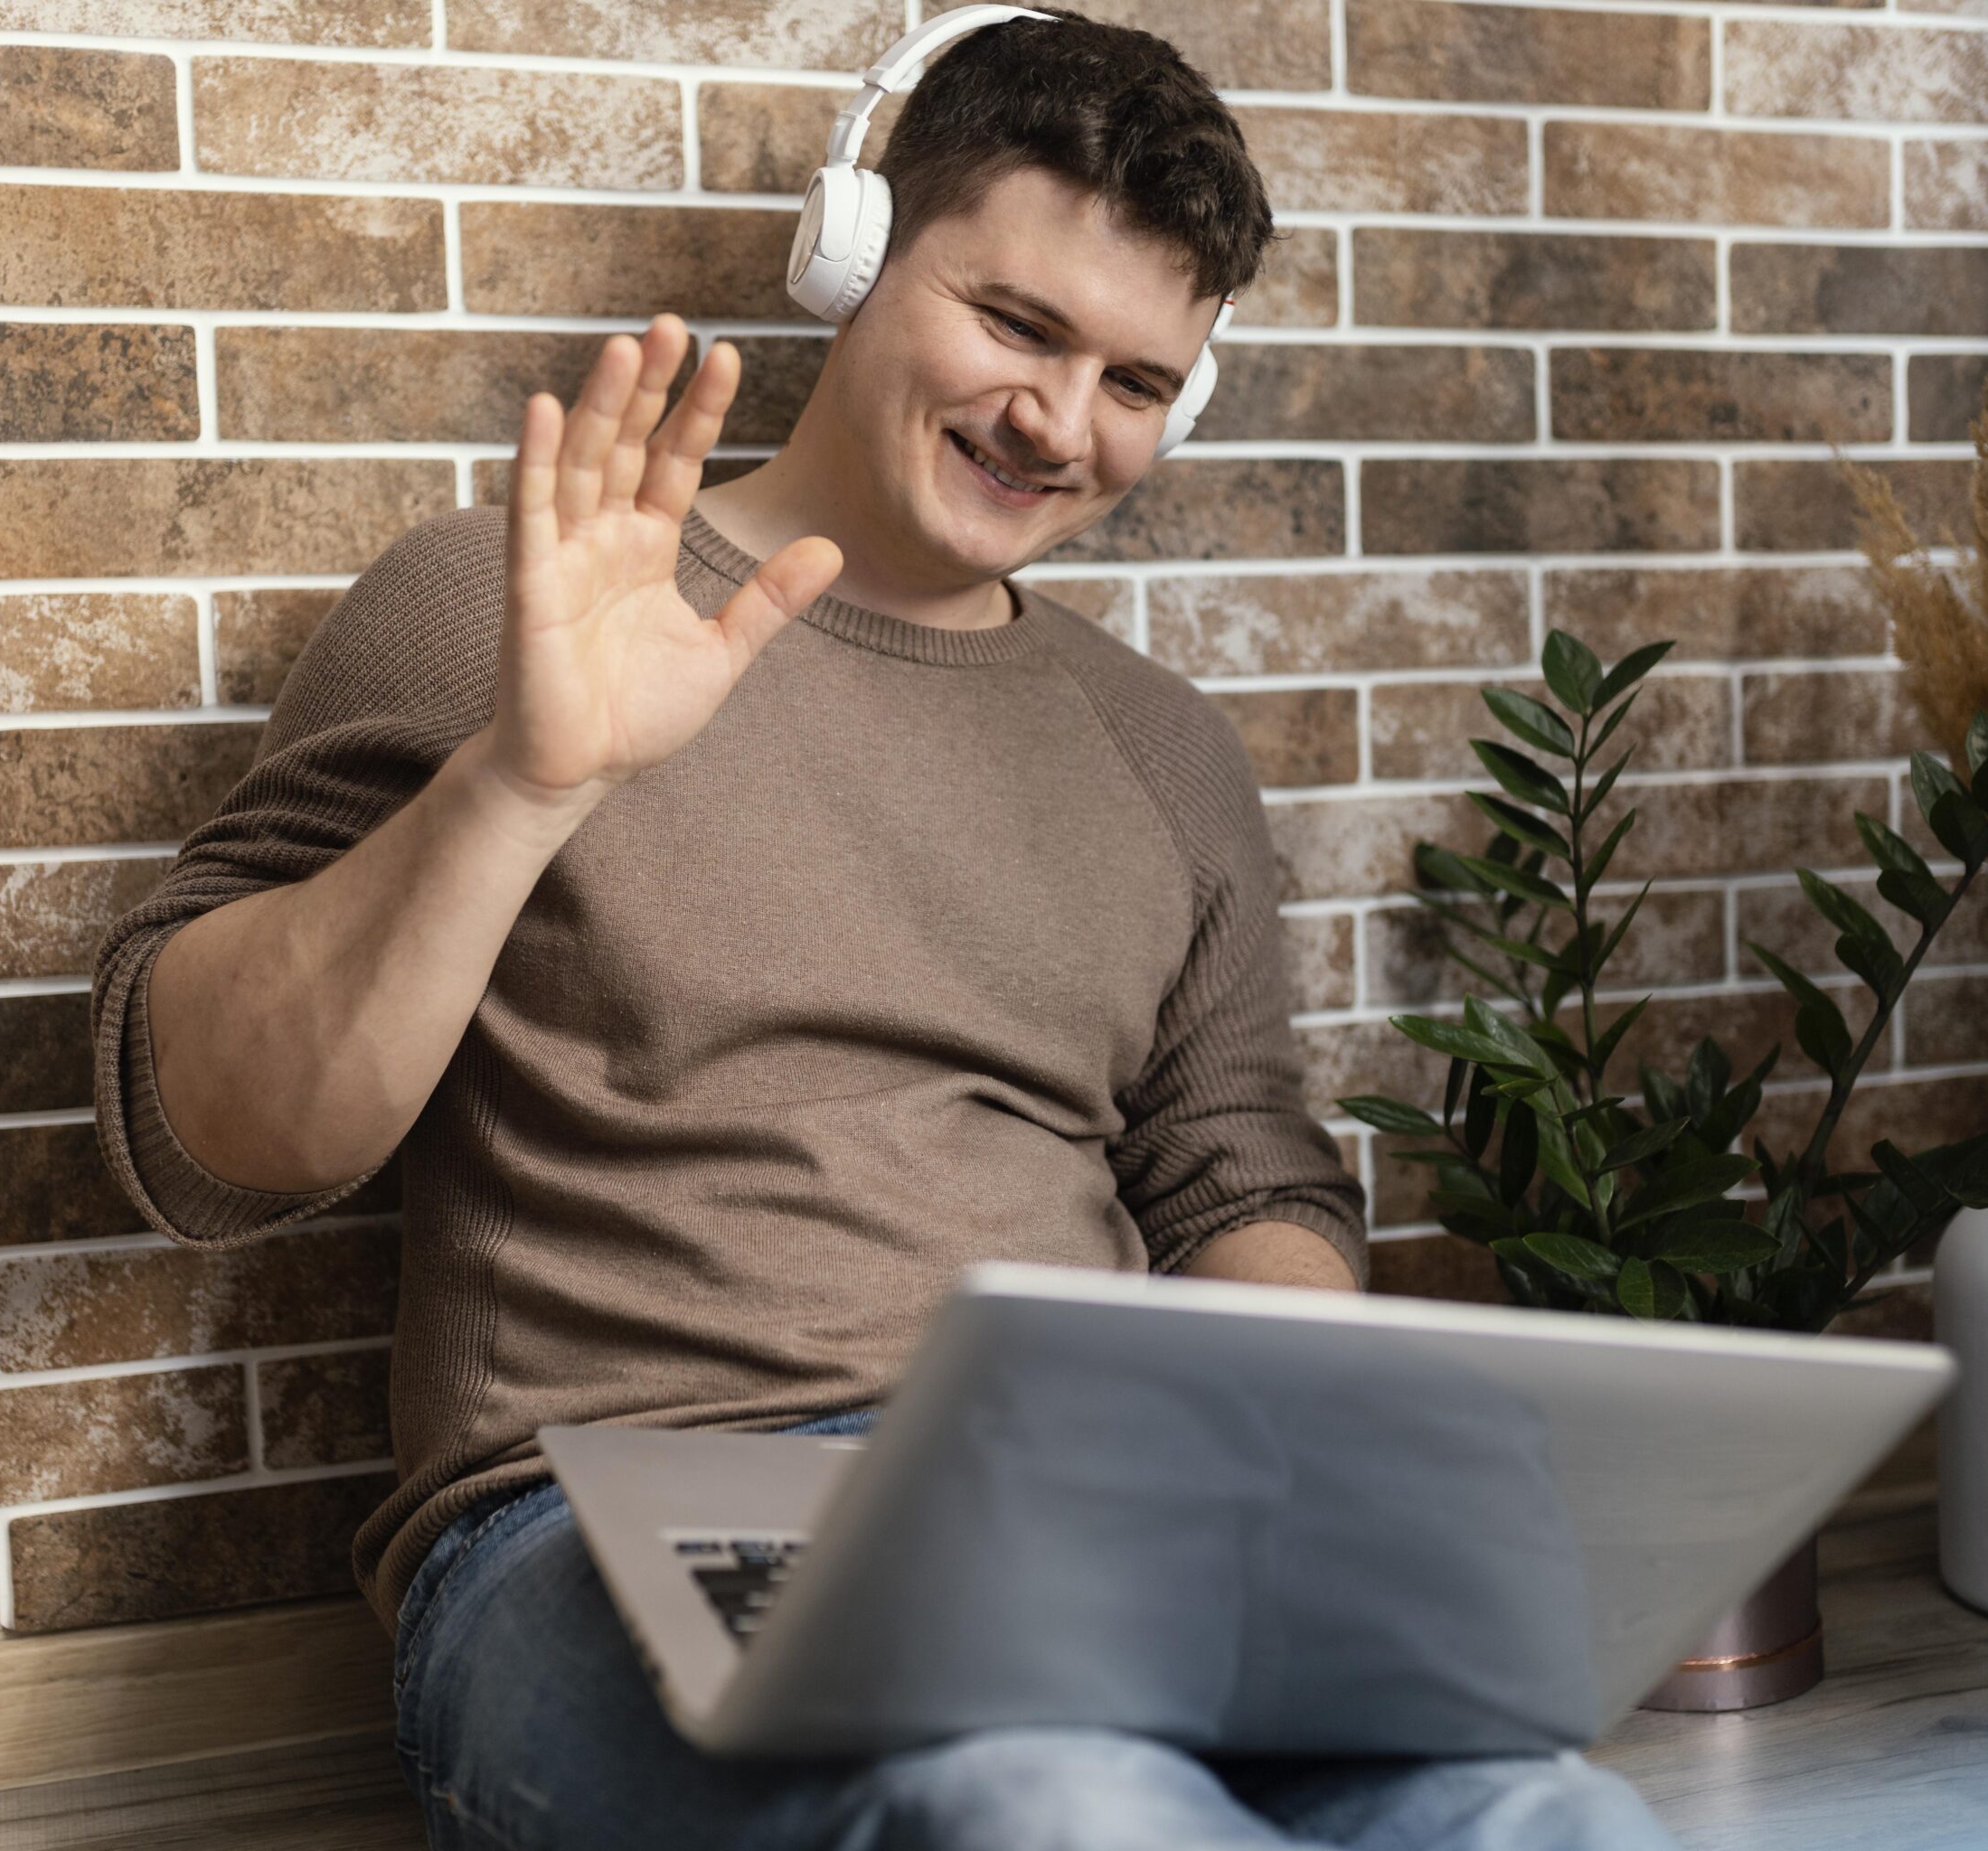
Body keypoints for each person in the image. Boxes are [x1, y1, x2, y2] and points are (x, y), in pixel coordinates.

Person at [89, 8, 1681, 1846]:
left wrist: (1285, 1478)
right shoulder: (508, 612)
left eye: (1136, 383)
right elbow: (198, 1137)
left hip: (1077, 1529)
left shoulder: (1164, 757)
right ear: (849, 259)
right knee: (1044, 1808)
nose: (1058, 424)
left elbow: (1241, 1180)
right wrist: (524, 781)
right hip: (607, 1533)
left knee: (1534, 1811)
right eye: (1013, 325)